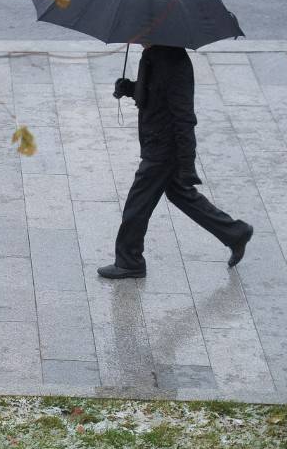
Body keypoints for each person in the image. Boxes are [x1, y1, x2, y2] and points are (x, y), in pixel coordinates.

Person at [97, 44, 253, 279]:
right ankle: (235, 233)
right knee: (179, 194)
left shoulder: (174, 64)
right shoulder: (152, 53)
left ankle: (130, 261)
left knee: (137, 203)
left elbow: (185, 116)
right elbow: (152, 94)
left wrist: (187, 163)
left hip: (164, 147)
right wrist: (129, 88)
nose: (134, 36)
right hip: (155, 140)